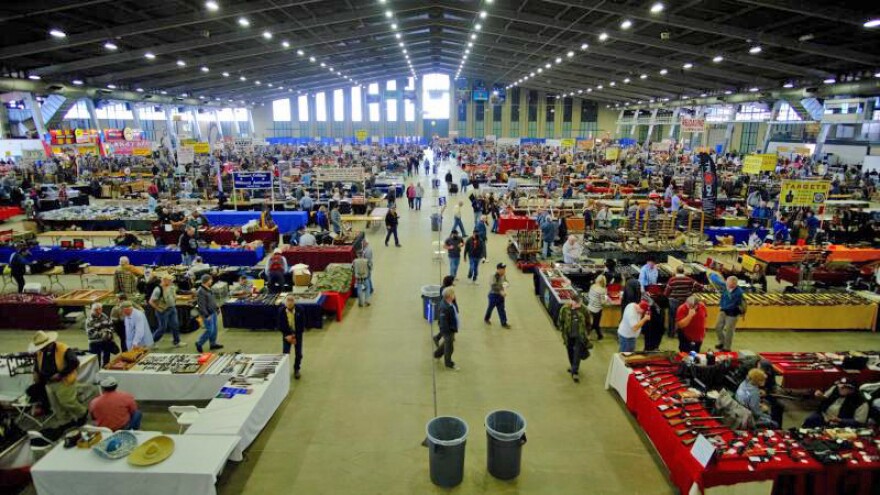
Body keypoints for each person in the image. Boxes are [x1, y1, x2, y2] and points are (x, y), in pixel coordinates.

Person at [30, 331, 87, 425]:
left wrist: (60, 374)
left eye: (43, 347)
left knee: (67, 402)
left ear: (49, 343)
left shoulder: (64, 349)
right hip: (48, 382)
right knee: (56, 405)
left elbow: (74, 362)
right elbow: (37, 366)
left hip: (64, 380)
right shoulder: (40, 352)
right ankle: (67, 421)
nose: (41, 349)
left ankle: (82, 413)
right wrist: (36, 374)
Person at [803, 379, 869, 428]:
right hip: (824, 415)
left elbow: (859, 422)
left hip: (841, 424)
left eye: (845, 387)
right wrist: (820, 396)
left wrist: (840, 420)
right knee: (810, 420)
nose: (841, 388)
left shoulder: (861, 402)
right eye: (840, 386)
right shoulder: (835, 389)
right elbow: (825, 398)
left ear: (853, 390)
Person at [558, 297, 591, 383]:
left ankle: (575, 371)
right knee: (570, 351)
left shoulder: (584, 310)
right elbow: (560, 321)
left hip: (580, 336)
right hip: (568, 336)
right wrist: (562, 330)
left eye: (580, 304)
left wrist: (588, 334)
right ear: (572, 302)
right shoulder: (564, 309)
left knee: (577, 353)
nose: (579, 305)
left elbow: (588, 322)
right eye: (577, 304)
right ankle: (573, 366)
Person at [664, 266, 703, 337]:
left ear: (676, 271)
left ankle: (671, 333)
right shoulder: (689, 279)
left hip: (673, 301)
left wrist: (666, 297)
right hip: (685, 302)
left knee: (672, 318)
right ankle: (682, 333)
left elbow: (667, 292)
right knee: (683, 317)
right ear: (683, 272)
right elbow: (700, 286)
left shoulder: (672, 280)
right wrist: (691, 291)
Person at [150, 274, 184, 347]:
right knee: (162, 328)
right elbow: (151, 302)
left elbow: (173, 296)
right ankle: (152, 342)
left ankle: (176, 342)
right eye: (170, 280)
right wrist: (158, 309)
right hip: (163, 311)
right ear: (164, 280)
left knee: (175, 325)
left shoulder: (171, 287)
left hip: (172, 308)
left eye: (172, 280)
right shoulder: (158, 289)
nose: (172, 282)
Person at [277, 294, 304, 379]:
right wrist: (287, 336)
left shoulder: (300, 310)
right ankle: (284, 370)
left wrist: (295, 336)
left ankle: (296, 369)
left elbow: (302, 325)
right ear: (285, 302)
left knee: (299, 354)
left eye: (291, 300)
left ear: (294, 302)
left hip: (297, 334)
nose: (289, 302)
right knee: (285, 354)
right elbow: (280, 326)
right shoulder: (281, 311)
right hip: (286, 335)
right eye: (288, 300)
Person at [433, 287, 460, 371]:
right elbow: (443, 322)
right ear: (449, 296)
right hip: (448, 330)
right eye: (453, 294)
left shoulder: (449, 303)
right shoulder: (444, 308)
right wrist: (449, 331)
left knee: (446, 343)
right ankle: (448, 363)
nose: (455, 295)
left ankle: (436, 354)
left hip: (451, 328)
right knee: (449, 347)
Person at [195, 274, 223, 352]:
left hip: (212, 312)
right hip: (207, 314)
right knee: (210, 330)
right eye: (211, 280)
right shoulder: (201, 291)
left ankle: (213, 344)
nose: (212, 281)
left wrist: (216, 308)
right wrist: (206, 315)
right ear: (207, 281)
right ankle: (199, 343)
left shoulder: (208, 288)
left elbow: (212, 300)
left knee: (214, 329)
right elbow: (201, 305)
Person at [715, 276, 744, 351]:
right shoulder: (726, 285)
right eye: (727, 282)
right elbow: (717, 280)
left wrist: (722, 307)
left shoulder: (739, 293)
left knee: (729, 331)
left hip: (733, 313)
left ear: (734, 284)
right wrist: (711, 274)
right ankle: (722, 342)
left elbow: (732, 305)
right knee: (718, 327)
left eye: (729, 283)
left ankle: (727, 347)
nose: (726, 284)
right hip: (723, 310)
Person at [484, 263, 511, 328]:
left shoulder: (503, 275)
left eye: (504, 269)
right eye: (503, 269)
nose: (504, 270)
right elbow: (493, 285)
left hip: (500, 296)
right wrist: (500, 291)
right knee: (490, 308)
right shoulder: (493, 275)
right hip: (493, 295)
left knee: (501, 309)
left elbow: (505, 282)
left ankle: (504, 323)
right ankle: (486, 318)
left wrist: (506, 284)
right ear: (498, 269)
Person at [586, 274, 607, 340]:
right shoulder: (602, 290)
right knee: (596, 323)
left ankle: (589, 332)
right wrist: (606, 300)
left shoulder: (592, 286)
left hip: (589, 307)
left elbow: (589, 296)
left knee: (594, 322)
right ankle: (599, 335)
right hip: (597, 309)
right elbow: (602, 302)